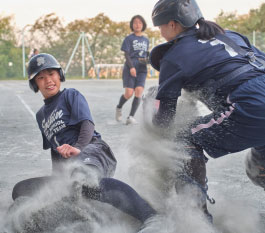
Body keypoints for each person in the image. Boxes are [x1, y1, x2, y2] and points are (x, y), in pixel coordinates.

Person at [149, 0, 265, 222]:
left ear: (173, 25)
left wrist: (156, 144)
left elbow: (164, 118)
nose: (161, 32)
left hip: (251, 105)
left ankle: (196, 217)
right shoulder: (230, 35)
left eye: (160, 27)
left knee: (182, 139)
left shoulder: (174, 55)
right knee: (257, 168)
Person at [12, 53, 156, 226]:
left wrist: (79, 147)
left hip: (93, 150)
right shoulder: (41, 115)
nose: (48, 80)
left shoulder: (71, 95)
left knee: (84, 180)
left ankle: (150, 216)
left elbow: (87, 125)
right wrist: (57, 181)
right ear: (35, 84)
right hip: (71, 167)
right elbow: (55, 149)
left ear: (60, 75)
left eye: (51, 74)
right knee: (20, 190)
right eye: (41, 77)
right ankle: (75, 214)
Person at [115, 15, 149, 125]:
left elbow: (146, 54)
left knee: (139, 91)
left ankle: (130, 117)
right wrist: (131, 67)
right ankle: (119, 107)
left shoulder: (146, 40)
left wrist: (148, 60)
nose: (137, 24)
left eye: (139, 22)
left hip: (142, 68)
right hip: (131, 66)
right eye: (135, 22)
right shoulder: (129, 38)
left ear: (143, 24)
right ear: (132, 25)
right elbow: (127, 54)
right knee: (129, 93)